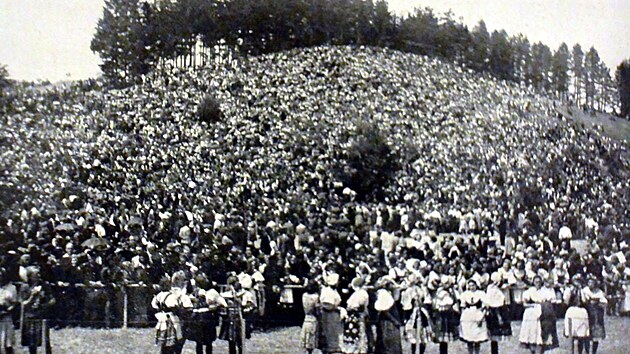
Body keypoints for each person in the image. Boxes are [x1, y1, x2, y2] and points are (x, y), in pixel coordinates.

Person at [152, 271, 193, 354]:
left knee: (165, 345)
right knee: (175, 344)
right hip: (174, 320)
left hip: (162, 320)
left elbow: (154, 305)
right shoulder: (177, 295)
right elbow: (180, 307)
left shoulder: (160, 295)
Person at [186, 275, 226, 354]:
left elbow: (223, 304)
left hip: (205, 317)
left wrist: (214, 307)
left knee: (206, 341)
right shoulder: (195, 293)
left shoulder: (211, 292)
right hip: (200, 317)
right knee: (201, 341)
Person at [519, 275, 558, 354]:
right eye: (536, 282)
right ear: (533, 282)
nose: (538, 284)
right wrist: (533, 305)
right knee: (531, 335)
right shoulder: (530, 291)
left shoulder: (545, 291)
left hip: (543, 313)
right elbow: (525, 304)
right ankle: (532, 350)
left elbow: (551, 301)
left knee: (541, 336)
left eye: (539, 282)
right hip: (531, 314)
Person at [20, 266, 55, 354]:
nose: (39, 276)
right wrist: (32, 296)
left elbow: (53, 300)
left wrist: (45, 305)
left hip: (42, 317)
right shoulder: (25, 287)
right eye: (36, 274)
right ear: (30, 276)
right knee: (31, 341)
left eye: (39, 273)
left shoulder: (45, 285)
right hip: (29, 317)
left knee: (44, 340)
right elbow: (23, 304)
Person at [484, 272, 511, 354]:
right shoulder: (490, 288)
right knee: (492, 333)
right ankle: (494, 351)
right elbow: (488, 299)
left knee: (498, 332)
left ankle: (495, 351)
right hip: (493, 310)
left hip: (501, 309)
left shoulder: (502, 288)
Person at [459, 279, 488, 354]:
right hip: (468, 316)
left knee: (477, 338)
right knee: (469, 338)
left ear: (476, 286)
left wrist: (481, 317)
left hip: (478, 314)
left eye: (473, 285)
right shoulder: (465, 294)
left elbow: (485, 306)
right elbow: (463, 307)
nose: (472, 287)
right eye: (470, 286)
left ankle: (477, 352)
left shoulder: (481, 293)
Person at [562, 274, 590, 354]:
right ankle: (571, 352)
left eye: (579, 280)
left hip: (582, 312)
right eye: (576, 280)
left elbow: (585, 301)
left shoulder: (584, 290)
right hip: (572, 311)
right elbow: (566, 302)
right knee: (571, 333)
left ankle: (580, 352)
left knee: (581, 334)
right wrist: (571, 292)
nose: (578, 282)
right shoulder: (569, 289)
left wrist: (581, 291)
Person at [341, 277, 369, 354]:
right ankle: (360, 348)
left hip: (352, 314)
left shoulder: (355, 294)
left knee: (355, 331)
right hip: (358, 314)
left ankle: (354, 347)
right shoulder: (363, 293)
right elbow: (362, 306)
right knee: (361, 330)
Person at [374, 278, 402, 354]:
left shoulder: (388, 293)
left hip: (389, 321)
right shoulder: (383, 294)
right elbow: (385, 310)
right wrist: (395, 321)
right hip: (388, 322)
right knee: (388, 342)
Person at [404, 280, 432, 354]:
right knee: (414, 338)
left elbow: (427, 300)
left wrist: (422, 304)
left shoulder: (423, 289)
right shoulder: (409, 290)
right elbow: (406, 305)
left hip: (422, 314)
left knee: (423, 339)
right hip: (413, 315)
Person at [432, 277, 459, 354]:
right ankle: (442, 351)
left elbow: (454, 301)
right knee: (441, 335)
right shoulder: (439, 291)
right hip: (441, 314)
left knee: (446, 336)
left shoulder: (452, 291)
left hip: (448, 314)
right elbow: (436, 303)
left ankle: (444, 351)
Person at [319, 280, 343, 354]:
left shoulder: (334, 291)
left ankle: (334, 346)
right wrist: (337, 308)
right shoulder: (327, 291)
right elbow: (327, 305)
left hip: (334, 314)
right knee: (328, 330)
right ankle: (329, 347)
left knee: (334, 330)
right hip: (329, 314)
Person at [584, 276, 607, 354]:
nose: (590, 284)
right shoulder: (585, 290)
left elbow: (604, 302)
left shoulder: (599, 292)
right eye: (589, 282)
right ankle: (587, 351)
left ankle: (594, 352)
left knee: (595, 336)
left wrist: (597, 302)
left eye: (592, 282)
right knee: (586, 335)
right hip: (587, 314)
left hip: (596, 315)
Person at [0, 268, 18, 354]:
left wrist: (7, 311)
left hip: (6, 316)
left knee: (8, 343)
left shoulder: (11, 288)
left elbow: (14, 304)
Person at [300, 281, 319, 354]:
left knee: (306, 339)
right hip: (313, 319)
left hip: (306, 318)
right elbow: (316, 310)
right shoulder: (315, 297)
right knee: (311, 339)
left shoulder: (304, 295)